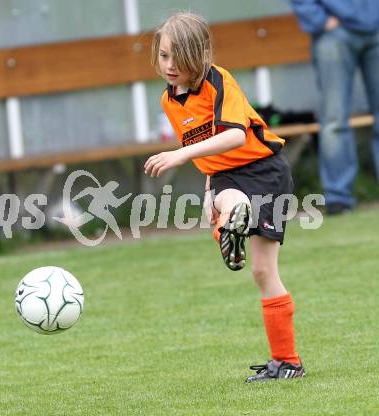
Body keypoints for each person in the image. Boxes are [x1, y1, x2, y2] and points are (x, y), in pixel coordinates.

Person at [145, 12, 305, 382]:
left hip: (264, 171)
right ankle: (287, 362)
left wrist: (179, 155)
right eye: (164, 55)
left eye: (178, 57)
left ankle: (287, 361)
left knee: (263, 266)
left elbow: (234, 135)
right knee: (250, 257)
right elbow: (207, 151)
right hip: (224, 175)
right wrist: (206, 186)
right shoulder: (170, 100)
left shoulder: (219, 81)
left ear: (199, 55)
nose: (169, 66)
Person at [291, 0, 379, 215]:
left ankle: (339, 196)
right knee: (334, 119)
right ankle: (338, 198)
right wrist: (320, 20)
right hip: (333, 32)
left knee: (334, 120)